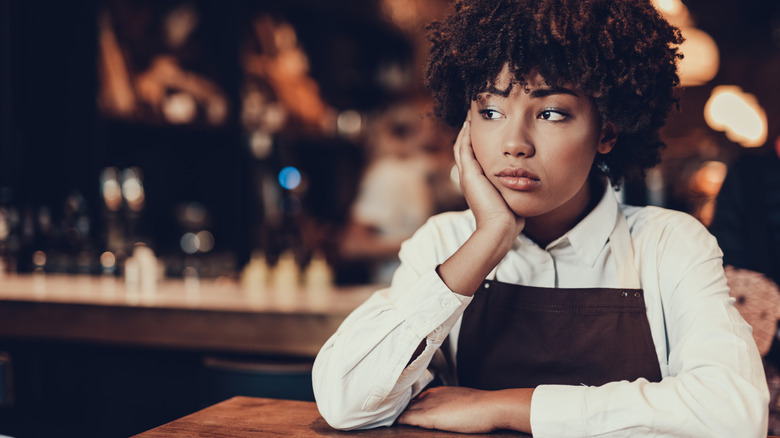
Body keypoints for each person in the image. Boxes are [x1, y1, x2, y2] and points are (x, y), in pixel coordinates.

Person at [312, 0, 769, 436]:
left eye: (551, 113)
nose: (515, 143)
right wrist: (488, 240)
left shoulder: (669, 244)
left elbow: (733, 416)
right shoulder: (444, 243)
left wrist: (504, 407)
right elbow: (345, 402)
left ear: (606, 130)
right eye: (491, 111)